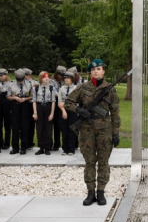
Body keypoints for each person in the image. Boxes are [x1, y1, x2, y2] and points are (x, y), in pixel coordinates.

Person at [65, 59, 120, 206]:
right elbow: (68, 102)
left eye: (99, 69)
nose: (96, 71)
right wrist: (79, 110)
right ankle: (90, 193)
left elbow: (115, 112)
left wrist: (115, 133)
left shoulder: (110, 89)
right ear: (90, 72)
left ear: (103, 71)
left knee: (103, 162)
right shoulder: (83, 88)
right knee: (89, 162)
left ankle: (101, 192)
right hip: (87, 129)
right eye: (93, 69)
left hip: (105, 130)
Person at [8, 69, 33, 154]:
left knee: (24, 127)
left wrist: (25, 99)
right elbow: (8, 96)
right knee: (15, 127)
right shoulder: (11, 84)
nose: (20, 81)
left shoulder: (29, 84)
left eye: (21, 79)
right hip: (15, 105)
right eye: (18, 79)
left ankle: (23, 147)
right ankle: (15, 148)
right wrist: (15, 98)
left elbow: (32, 96)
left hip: (25, 105)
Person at [55, 71, 78, 155]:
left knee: (72, 130)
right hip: (63, 110)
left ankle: (71, 149)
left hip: (73, 111)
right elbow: (59, 102)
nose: (66, 79)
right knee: (64, 130)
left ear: (72, 79)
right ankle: (65, 149)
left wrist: (66, 104)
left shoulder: (76, 88)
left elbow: (77, 102)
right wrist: (64, 111)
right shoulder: (61, 89)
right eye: (65, 78)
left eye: (68, 78)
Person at [32, 71, 55, 155]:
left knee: (48, 129)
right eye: (45, 77)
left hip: (48, 107)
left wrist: (52, 113)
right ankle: (41, 147)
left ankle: (48, 148)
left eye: (48, 77)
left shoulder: (52, 88)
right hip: (39, 107)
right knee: (39, 128)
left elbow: (53, 101)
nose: (47, 78)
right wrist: (35, 112)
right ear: (41, 78)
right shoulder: (36, 88)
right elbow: (34, 101)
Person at [51, 66, 67, 152]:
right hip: (55, 102)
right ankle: (56, 144)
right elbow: (54, 92)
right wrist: (60, 95)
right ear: (57, 74)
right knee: (55, 125)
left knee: (62, 124)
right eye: (61, 75)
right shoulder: (51, 81)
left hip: (63, 103)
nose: (62, 77)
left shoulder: (64, 81)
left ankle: (64, 144)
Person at [0, 68, 13, 150]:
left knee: (7, 125)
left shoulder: (10, 84)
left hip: (7, 106)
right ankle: (0, 142)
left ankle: (7, 143)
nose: (0, 77)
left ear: (6, 75)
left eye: (2, 75)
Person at [23, 69, 38, 148]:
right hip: (25, 104)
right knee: (25, 124)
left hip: (32, 104)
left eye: (27, 75)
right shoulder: (22, 82)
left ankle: (30, 142)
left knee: (32, 124)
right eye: (25, 75)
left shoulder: (35, 83)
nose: (26, 76)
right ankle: (26, 141)